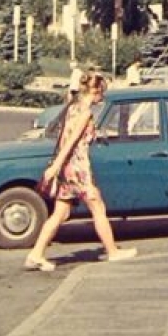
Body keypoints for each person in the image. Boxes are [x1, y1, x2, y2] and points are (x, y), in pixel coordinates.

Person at [24, 71, 139, 272]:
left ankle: (36, 254)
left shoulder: (72, 108)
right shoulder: (85, 113)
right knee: (97, 206)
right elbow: (71, 141)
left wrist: (58, 166)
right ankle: (112, 251)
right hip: (78, 167)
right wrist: (55, 166)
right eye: (101, 92)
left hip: (67, 167)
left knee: (60, 213)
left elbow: (63, 138)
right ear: (95, 91)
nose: (102, 97)